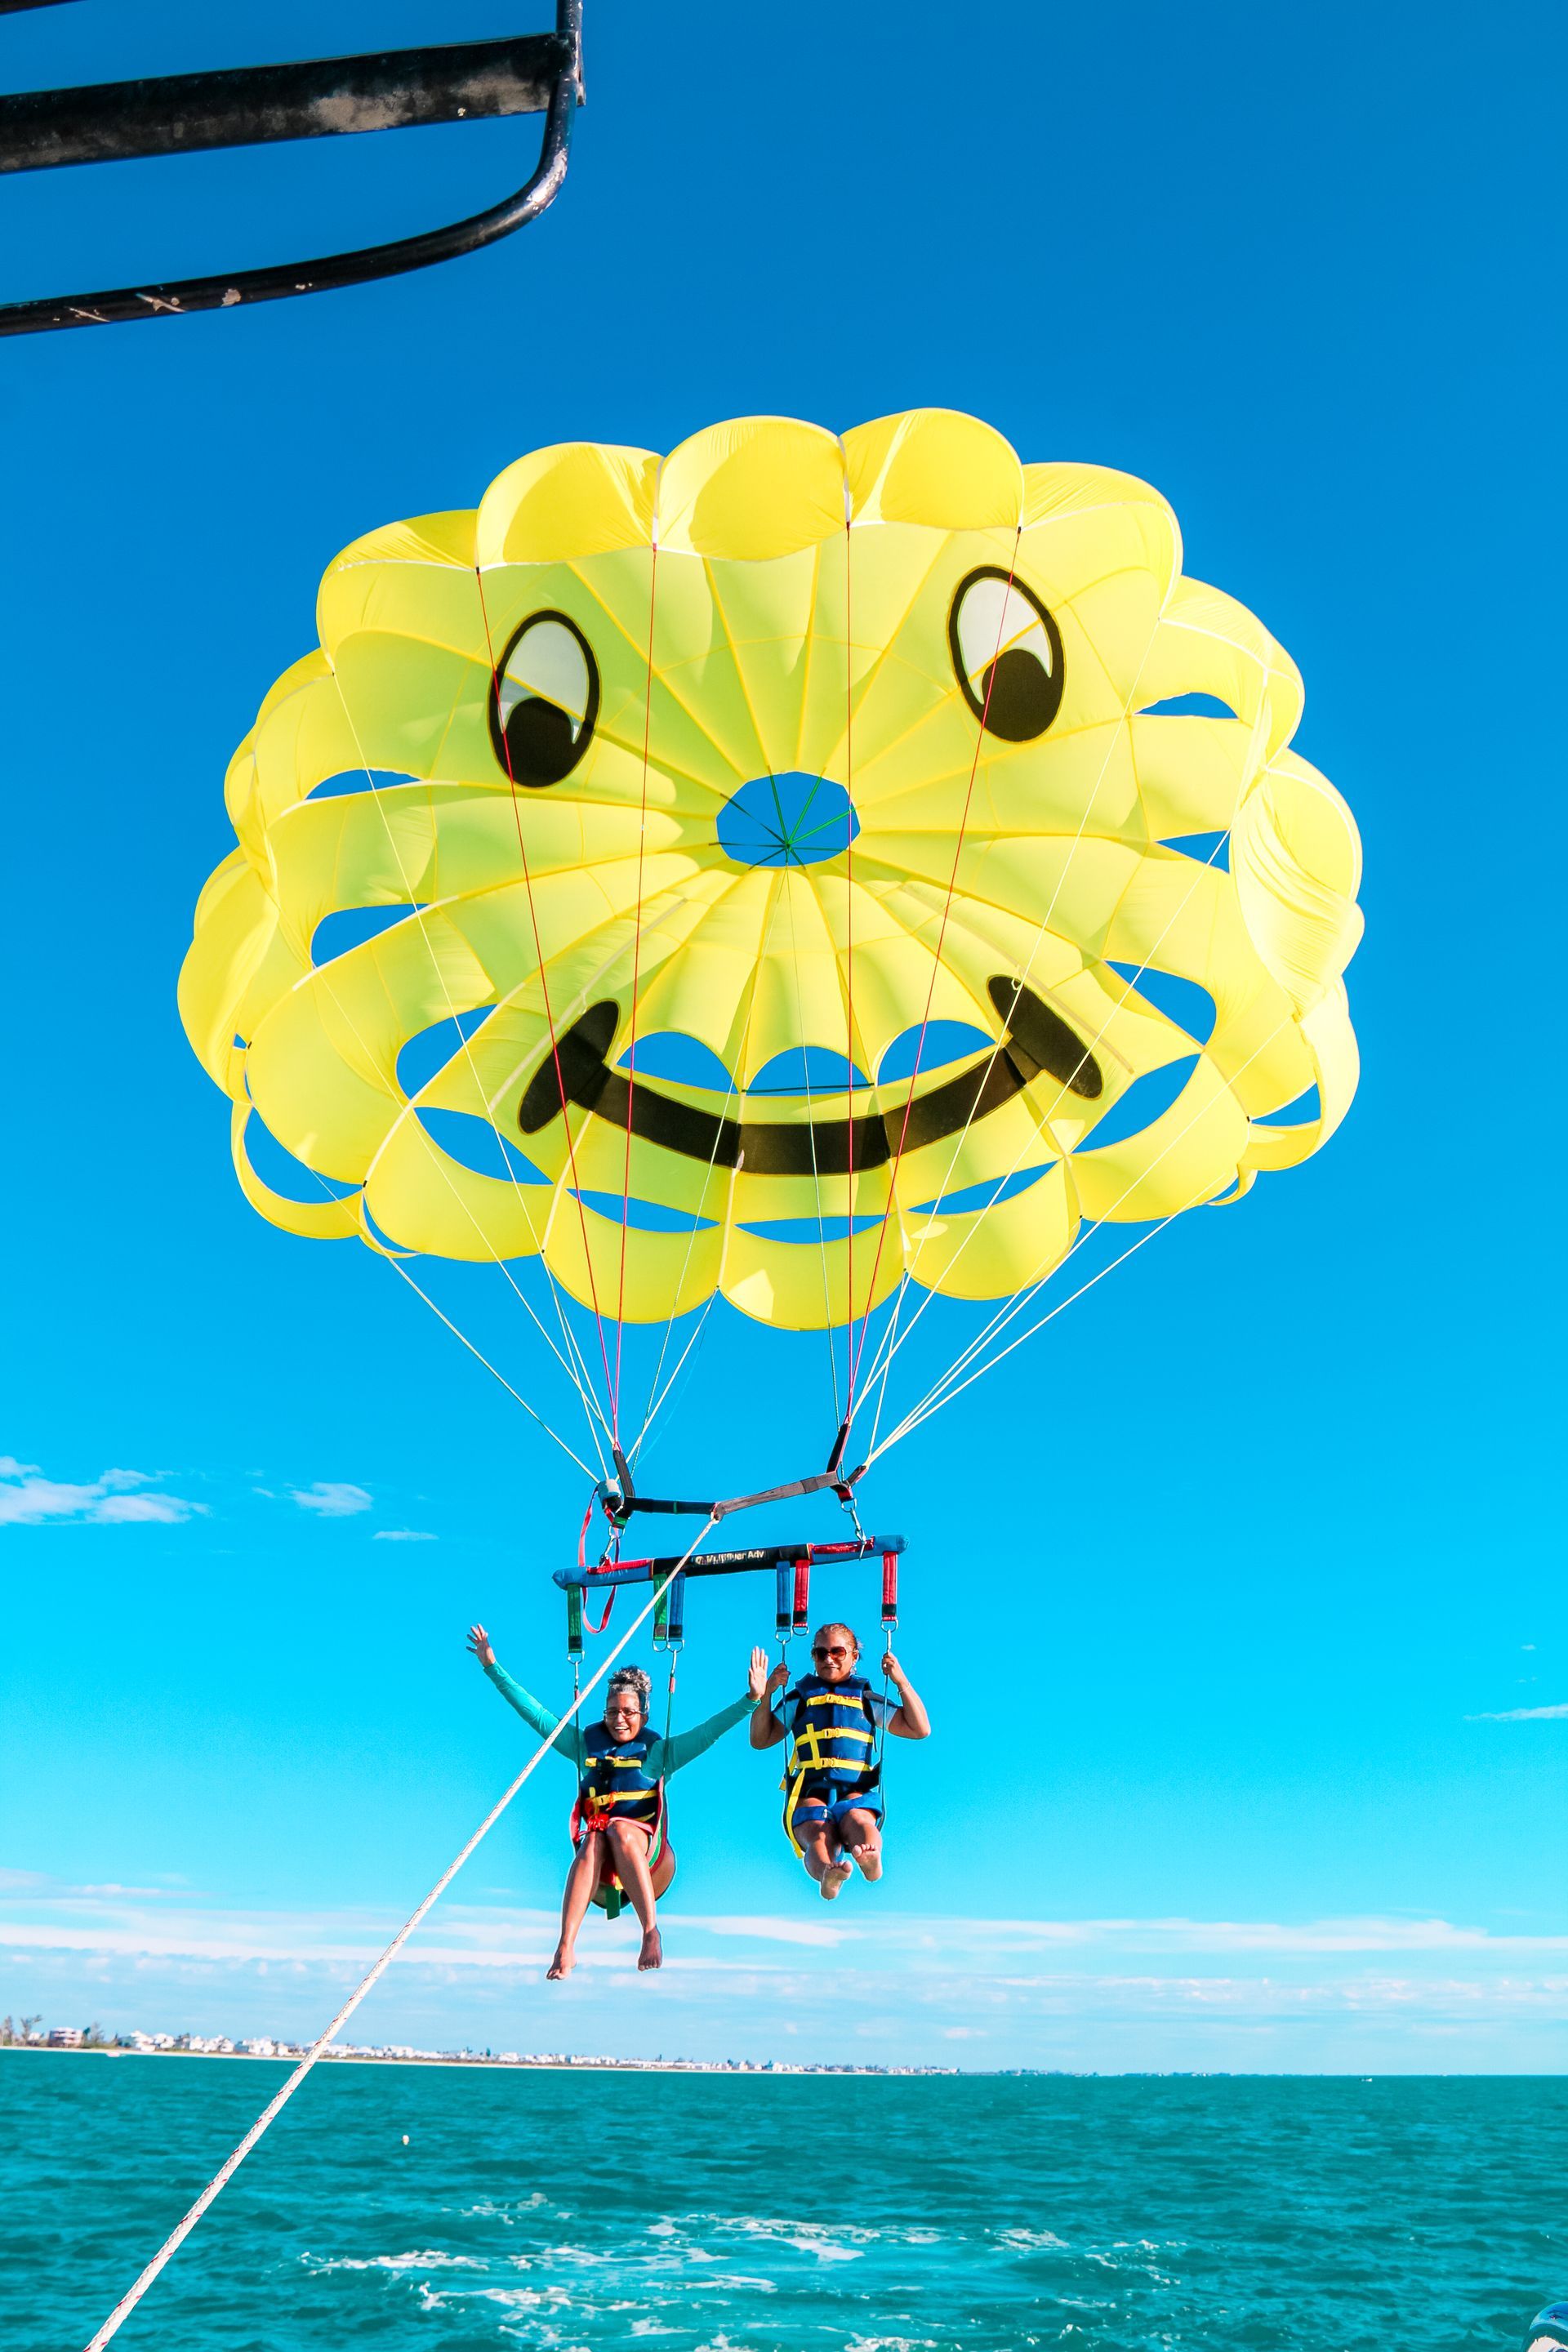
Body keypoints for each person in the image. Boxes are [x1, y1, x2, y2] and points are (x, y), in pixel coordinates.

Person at [467, 1624, 777, 1978]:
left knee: (619, 1829)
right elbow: (536, 1714)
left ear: (644, 1714)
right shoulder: (585, 1745)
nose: (619, 1719)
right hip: (600, 1872)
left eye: (628, 1712)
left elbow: (709, 1732)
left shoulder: (659, 1752)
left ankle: (650, 1932)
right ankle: (565, 1946)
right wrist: (492, 1666)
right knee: (595, 1836)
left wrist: (751, 1700)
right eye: (612, 1711)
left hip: (653, 1863)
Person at [749, 1619, 929, 1898]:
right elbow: (760, 1740)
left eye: (838, 1652)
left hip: (855, 1790)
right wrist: (766, 1694)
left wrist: (900, 1680)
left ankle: (870, 1859)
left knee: (858, 1821)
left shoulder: (866, 1699)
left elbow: (919, 1729)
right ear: (814, 1657)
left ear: (854, 1656)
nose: (829, 1659)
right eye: (821, 1653)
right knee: (817, 1832)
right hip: (811, 1790)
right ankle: (827, 1875)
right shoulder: (801, 1699)